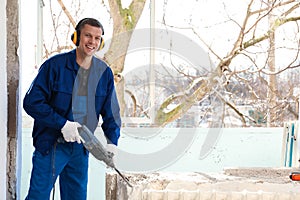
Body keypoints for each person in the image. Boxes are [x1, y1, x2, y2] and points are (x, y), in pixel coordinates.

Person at [23, 18, 121, 200]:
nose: (92, 42)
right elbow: (31, 102)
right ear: (76, 37)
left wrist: (112, 142)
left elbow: (111, 113)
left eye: (97, 38)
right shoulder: (54, 66)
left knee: (76, 197)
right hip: (51, 144)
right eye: (88, 36)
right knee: (38, 196)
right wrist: (62, 124)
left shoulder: (104, 73)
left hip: (81, 147)